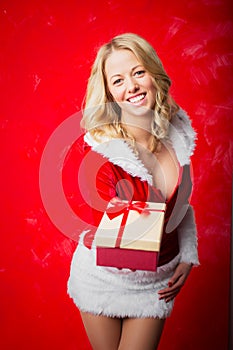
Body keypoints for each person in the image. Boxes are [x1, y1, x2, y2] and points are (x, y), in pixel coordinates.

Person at [64, 33, 199, 350]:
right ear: (109, 92)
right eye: (118, 80)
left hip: (155, 281)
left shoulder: (178, 136)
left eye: (138, 72)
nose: (132, 86)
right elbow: (113, 237)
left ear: (154, 74)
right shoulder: (103, 154)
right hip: (105, 276)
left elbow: (180, 206)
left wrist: (187, 257)